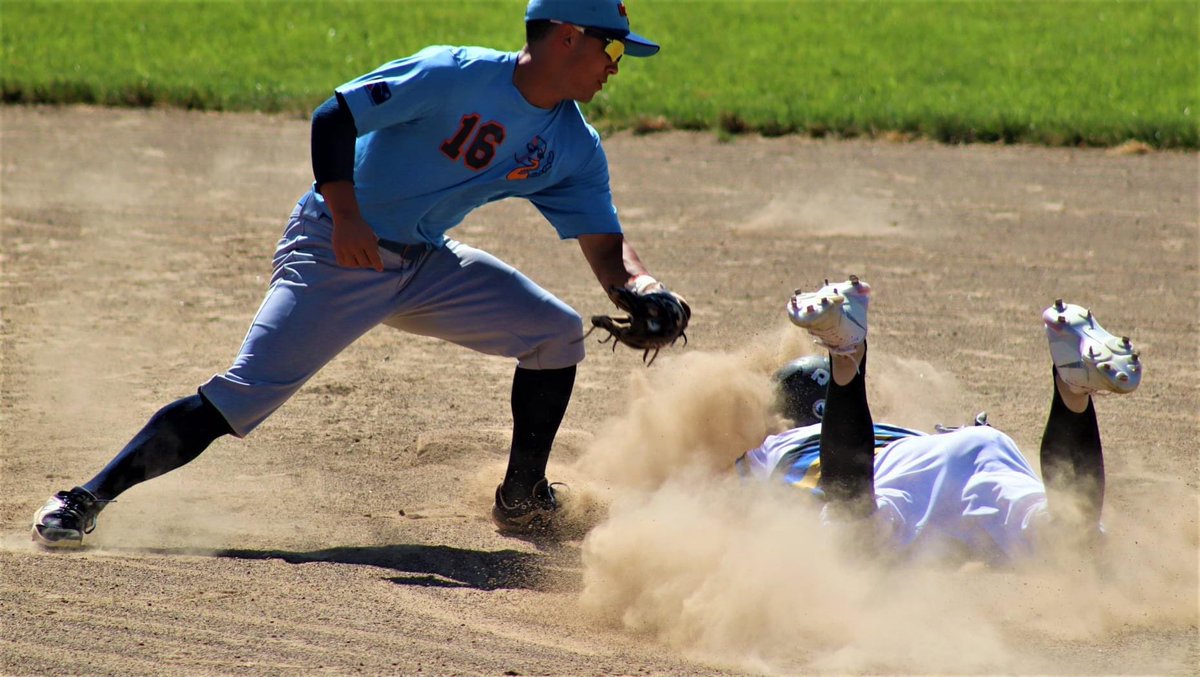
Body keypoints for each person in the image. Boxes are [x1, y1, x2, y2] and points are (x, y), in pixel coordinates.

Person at [32, 0, 685, 547]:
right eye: (612, 50)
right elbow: (336, 115)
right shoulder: (453, 74)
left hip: (423, 262)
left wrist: (643, 288)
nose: (615, 66)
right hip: (335, 250)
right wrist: (346, 216)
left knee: (555, 333)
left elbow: (607, 247)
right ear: (567, 36)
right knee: (242, 394)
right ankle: (84, 498)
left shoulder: (573, 144)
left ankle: (520, 498)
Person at [736, 277, 1142, 563]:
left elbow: (718, 496)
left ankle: (846, 356)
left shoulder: (775, 444)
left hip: (894, 480)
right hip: (975, 447)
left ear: (784, 417)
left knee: (852, 534)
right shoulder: (897, 432)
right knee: (1071, 541)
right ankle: (1072, 386)